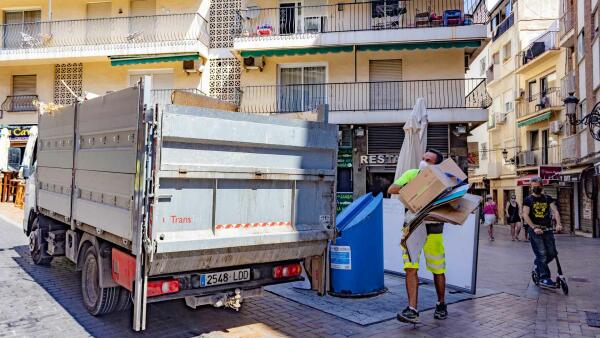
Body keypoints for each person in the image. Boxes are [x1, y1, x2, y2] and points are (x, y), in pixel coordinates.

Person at [388, 149, 447, 324]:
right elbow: (392, 188)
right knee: (410, 267)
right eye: (423, 158)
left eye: (428, 160)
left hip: (433, 229)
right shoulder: (412, 174)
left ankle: (441, 304)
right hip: (412, 226)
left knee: (438, 269)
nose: (423, 162)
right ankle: (412, 309)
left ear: (436, 165)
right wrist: (414, 186)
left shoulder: (443, 179)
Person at [522, 177, 563, 289]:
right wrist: (534, 227)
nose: (537, 188)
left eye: (538, 187)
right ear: (531, 187)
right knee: (542, 254)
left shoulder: (547, 198)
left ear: (542, 186)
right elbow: (525, 215)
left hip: (547, 229)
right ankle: (544, 277)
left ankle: (538, 266)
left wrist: (558, 223)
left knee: (552, 253)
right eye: (534, 187)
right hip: (535, 230)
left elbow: (555, 211)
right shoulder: (528, 200)